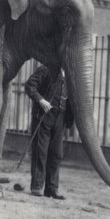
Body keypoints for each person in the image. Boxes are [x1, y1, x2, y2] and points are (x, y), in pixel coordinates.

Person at [25, 65, 74, 200]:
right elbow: (29, 85)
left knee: (56, 154)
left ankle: (51, 189)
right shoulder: (46, 69)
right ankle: (37, 186)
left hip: (60, 118)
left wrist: (69, 120)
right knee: (41, 152)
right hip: (43, 116)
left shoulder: (70, 75)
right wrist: (41, 100)